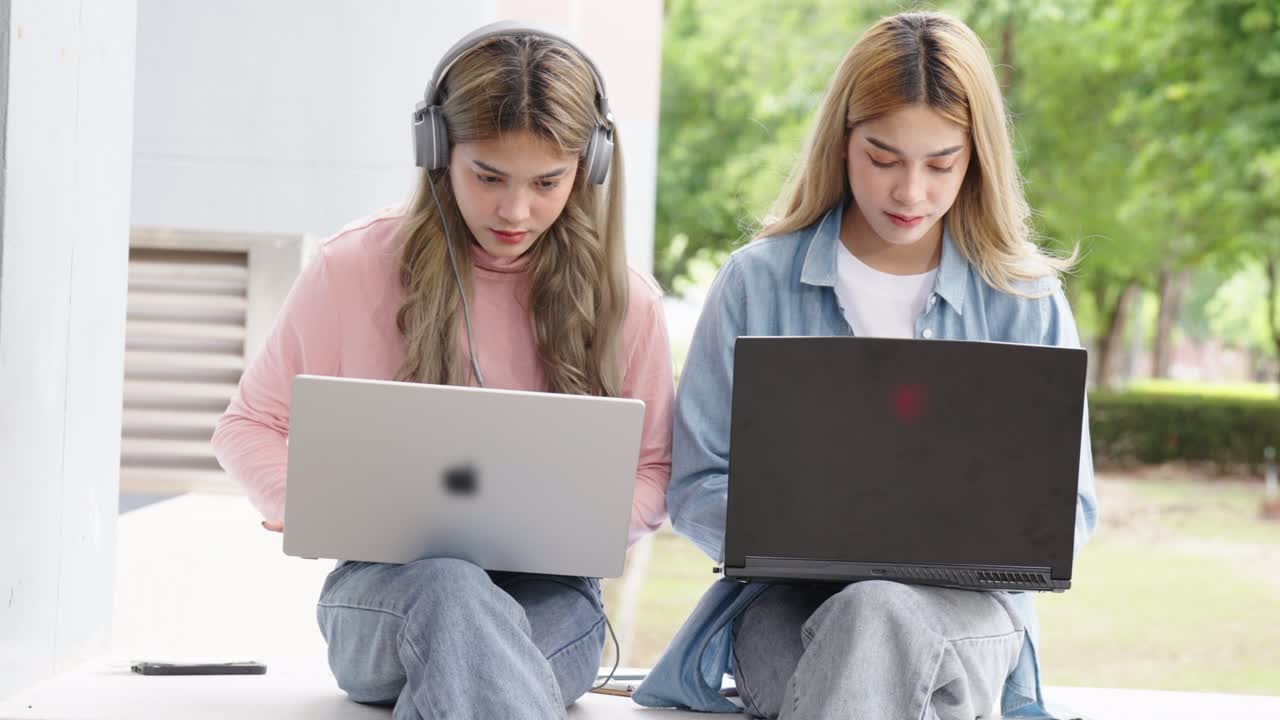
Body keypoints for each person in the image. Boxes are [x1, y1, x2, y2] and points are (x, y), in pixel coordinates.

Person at [633, 11, 1097, 720]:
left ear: (977, 157)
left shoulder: (1025, 299)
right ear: (842, 143)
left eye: (941, 163)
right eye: (883, 158)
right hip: (786, 610)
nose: (911, 192)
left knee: (878, 615)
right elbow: (697, 483)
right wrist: (811, 532)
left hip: (962, 616)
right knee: (872, 637)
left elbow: (1071, 509)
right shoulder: (756, 283)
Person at [211, 22, 674, 720]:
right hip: (386, 596)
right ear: (437, 152)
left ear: (591, 166)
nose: (515, 210)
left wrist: (580, 524)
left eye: (548, 182)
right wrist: (300, 498)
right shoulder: (351, 268)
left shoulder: (625, 302)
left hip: (551, 605)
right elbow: (249, 426)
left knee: (469, 657)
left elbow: (656, 472)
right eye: (487, 177)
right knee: (451, 589)